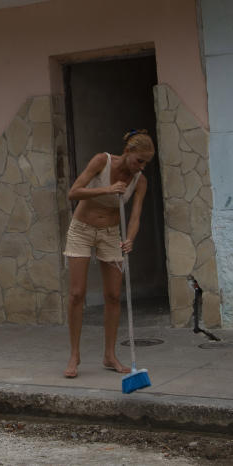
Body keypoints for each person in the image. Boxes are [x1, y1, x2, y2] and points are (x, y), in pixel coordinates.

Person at [63, 129, 155, 378]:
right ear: (128, 152)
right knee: (76, 293)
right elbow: (73, 192)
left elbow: (135, 216)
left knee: (114, 295)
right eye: (139, 161)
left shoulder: (140, 180)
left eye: (146, 163)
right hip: (81, 229)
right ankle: (74, 355)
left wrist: (130, 239)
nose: (141, 167)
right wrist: (107, 190)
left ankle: (109, 355)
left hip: (111, 233)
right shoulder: (101, 161)